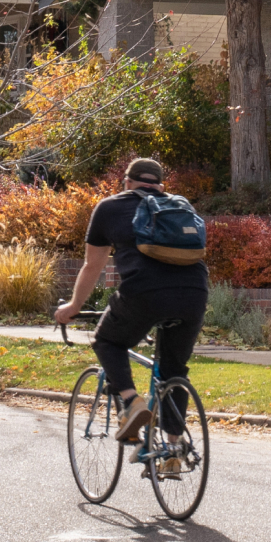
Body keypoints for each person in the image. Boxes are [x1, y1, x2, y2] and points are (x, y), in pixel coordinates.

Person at [52, 158, 208, 460]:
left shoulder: (110, 207)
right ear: (161, 186)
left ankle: (132, 402)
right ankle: (174, 451)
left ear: (126, 182)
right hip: (194, 295)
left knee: (107, 340)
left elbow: (92, 265)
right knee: (174, 371)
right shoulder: (182, 207)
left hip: (144, 294)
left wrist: (73, 306)